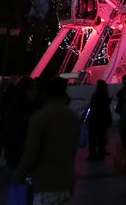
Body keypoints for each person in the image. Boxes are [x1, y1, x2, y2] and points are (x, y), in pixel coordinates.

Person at [15, 76, 80, 205]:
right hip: (66, 181)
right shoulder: (74, 118)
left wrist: (19, 177)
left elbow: (30, 156)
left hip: (46, 183)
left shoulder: (39, 118)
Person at [85, 80, 113, 160]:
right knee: (101, 138)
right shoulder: (105, 96)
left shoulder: (95, 95)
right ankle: (101, 154)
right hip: (103, 120)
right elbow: (106, 109)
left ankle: (92, 154)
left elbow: (92, 106)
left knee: (92, 138)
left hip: (95, 119)